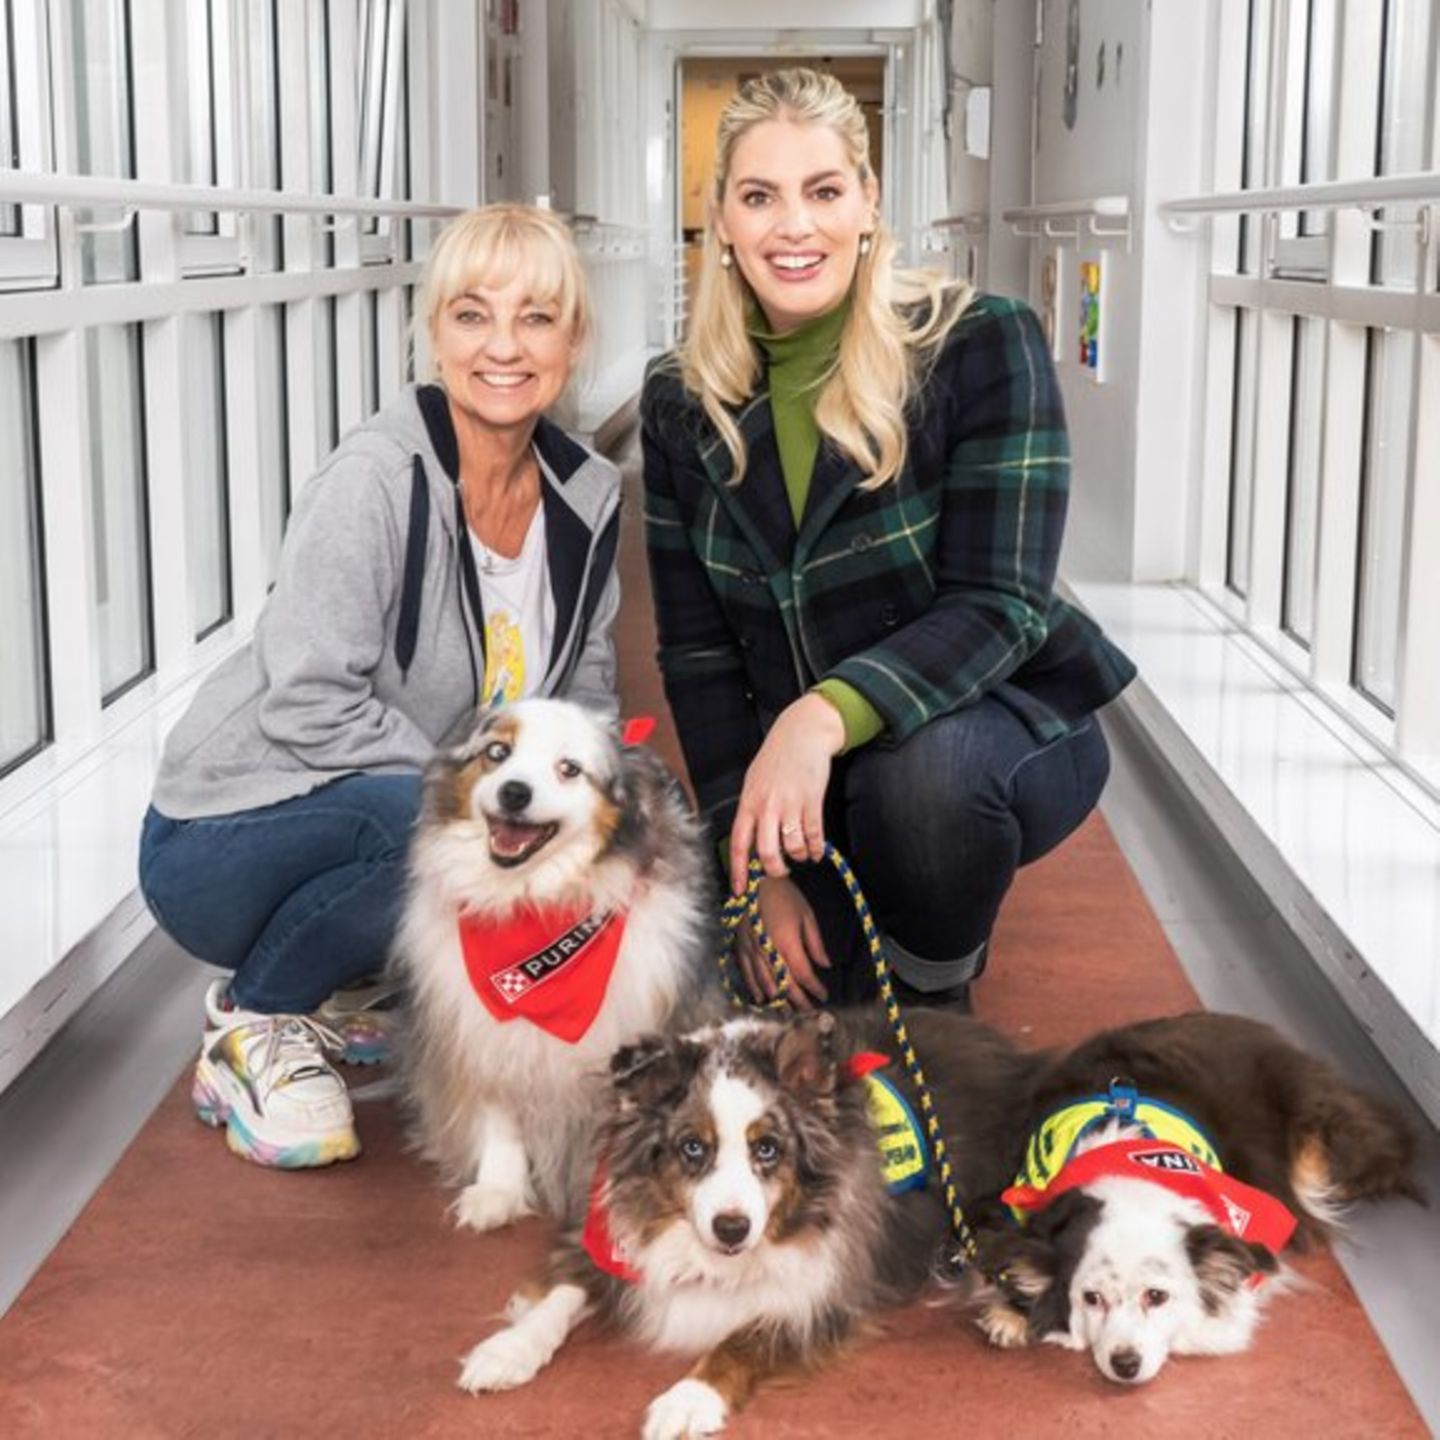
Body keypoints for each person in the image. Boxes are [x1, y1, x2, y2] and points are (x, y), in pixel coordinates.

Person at [641, 68, 1135, 1015]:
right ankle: (875, 929)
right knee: (790, 991)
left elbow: (1002, 606)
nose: (795, 226)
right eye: (760, 196)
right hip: (811, 782)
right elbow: (699, 658)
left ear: (868, 203)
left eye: (824, 191)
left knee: (926, 793)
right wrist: (753, 878)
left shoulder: (983, 343)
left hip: (991, 726)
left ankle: (936, 1010)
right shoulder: (679, 400)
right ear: (725, 222)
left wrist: (818, 716)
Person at [138, 203, 622, 1168]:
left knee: (582, 841)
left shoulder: (589, 494)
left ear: (573, 337)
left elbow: (589, 698)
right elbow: (307, 701)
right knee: (435, 819)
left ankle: (350, 980)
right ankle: (256, 1018)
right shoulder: (372, 480)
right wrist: (486, 792)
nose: (504, 347)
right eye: (473, 314)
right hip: (223, 836)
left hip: (395, 809)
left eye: (536, 317)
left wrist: (608, 816)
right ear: (434, 331)